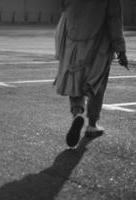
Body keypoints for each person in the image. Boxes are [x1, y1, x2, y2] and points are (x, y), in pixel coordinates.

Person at [54, 0, 128, 148]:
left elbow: (64, 10)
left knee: (74, 79)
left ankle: (77, 113)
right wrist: (120, 49)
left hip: (73, 40)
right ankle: (92, 124)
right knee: (96, 82)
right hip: (99, 42)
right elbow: (114, 20)